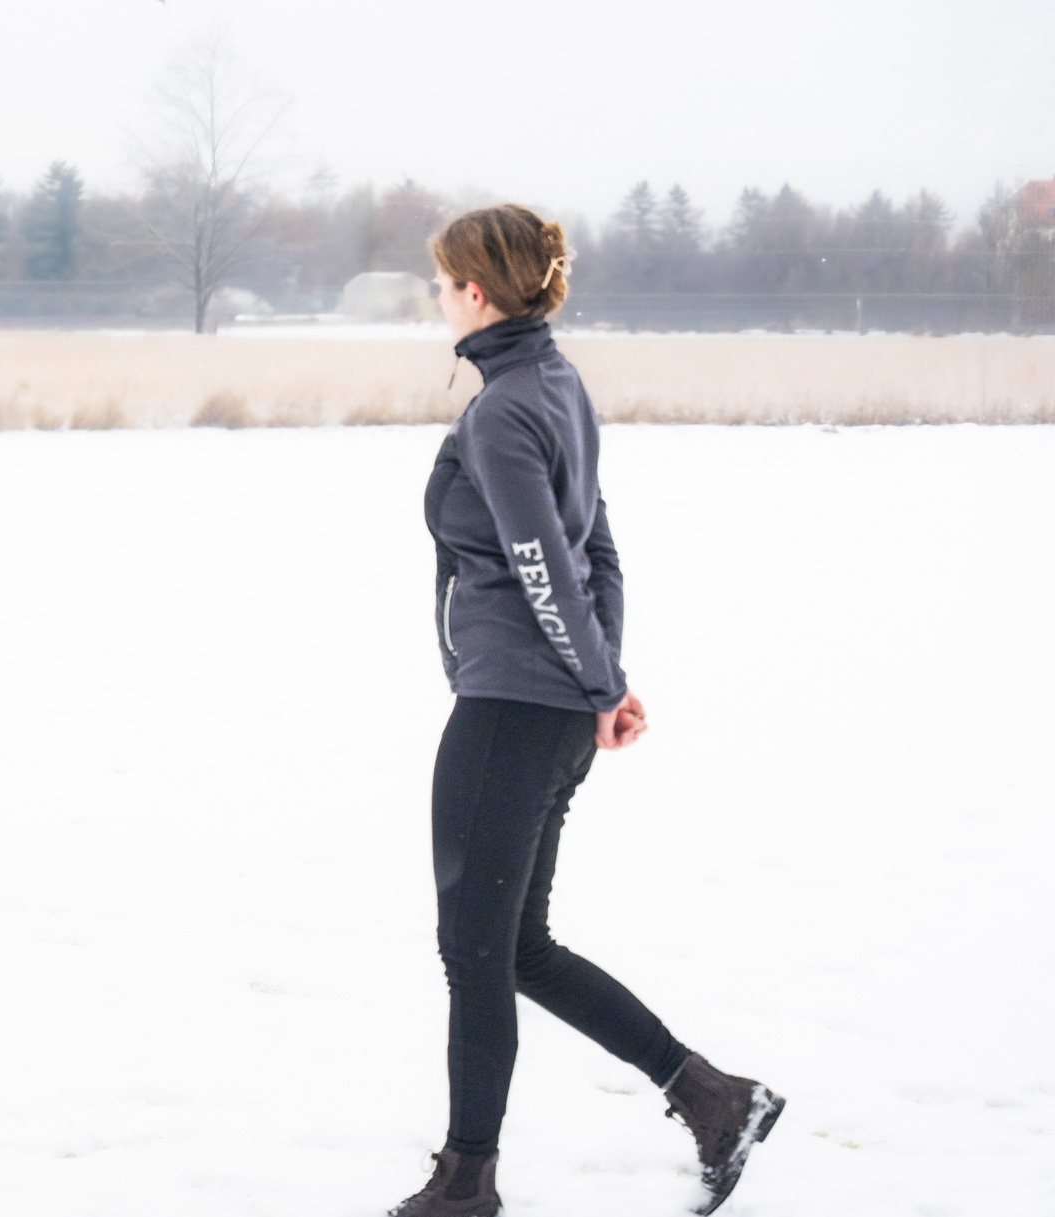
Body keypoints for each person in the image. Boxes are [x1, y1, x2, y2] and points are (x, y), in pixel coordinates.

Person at [390, 205, 783, 1217]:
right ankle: (711, 1095)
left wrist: (599, 684)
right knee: (515, 947)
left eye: (441, 282)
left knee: (475, 953)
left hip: (510, 711)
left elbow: (541, 567)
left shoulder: (502, 411)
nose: (435, 296)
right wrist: (600, 682)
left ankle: (465, 1180)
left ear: (475, 293)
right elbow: (595, 554)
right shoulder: (553, 386)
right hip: (552, 710)